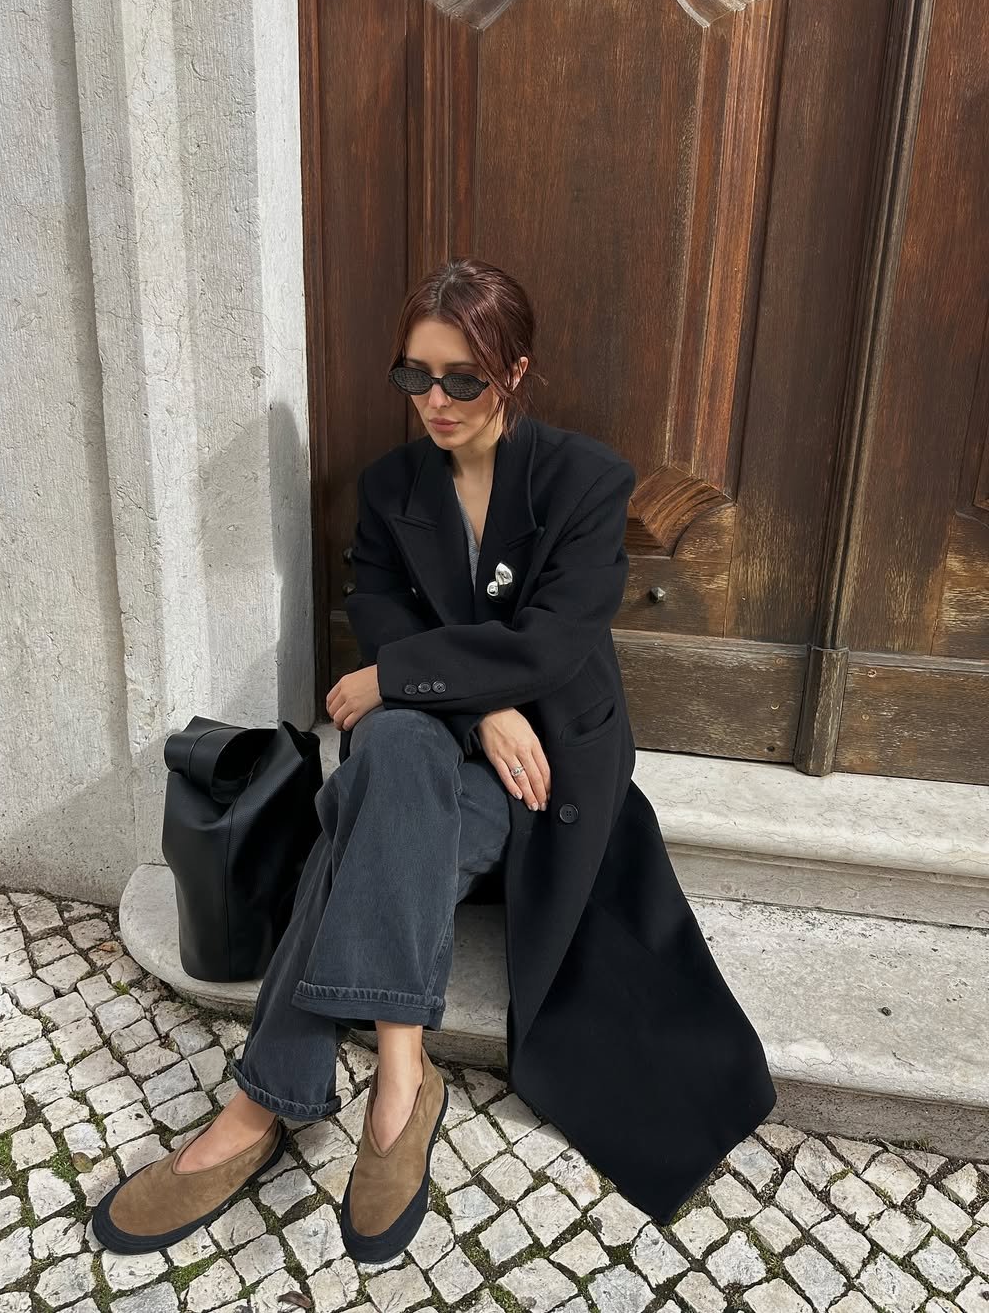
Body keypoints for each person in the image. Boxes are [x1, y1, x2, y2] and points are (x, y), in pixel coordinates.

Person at [93, 256, 776, 1262]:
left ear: (515, 372)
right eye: (416, 377)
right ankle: (399, 1086)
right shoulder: (388, 488)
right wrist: (471, 700)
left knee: (383, 748)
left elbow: (550, 641)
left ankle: (256, 1111)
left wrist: (429, 683)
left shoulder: (585, 482)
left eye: (463, 378)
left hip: (540, 790)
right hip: (440, 769)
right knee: (398, 750)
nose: (437, 402)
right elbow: (375, 603)